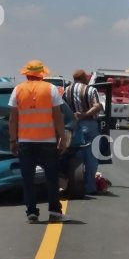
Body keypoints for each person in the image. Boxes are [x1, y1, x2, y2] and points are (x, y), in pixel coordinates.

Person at [9, 60, 70, 224]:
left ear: (27, 74)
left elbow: (13, 119)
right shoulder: (51, 89)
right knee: (51, 178)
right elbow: (58, 117)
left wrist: (13, 140)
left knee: (28, 178)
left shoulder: (18, 90)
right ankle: (55, 212)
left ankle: (31, 212)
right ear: (42, 74)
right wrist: (62, 138)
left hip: (25, 142)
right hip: (47, 141)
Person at [64, 69, 103, 195]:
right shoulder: (90, 90)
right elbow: (97, 106)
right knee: (91, 157)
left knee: (77, 155)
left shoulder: (66, 90)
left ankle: (76, 185)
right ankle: (90, 187)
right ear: (83, 78)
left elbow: (62, 107)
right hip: (89, 124)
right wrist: (84, 114)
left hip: (73, 126)